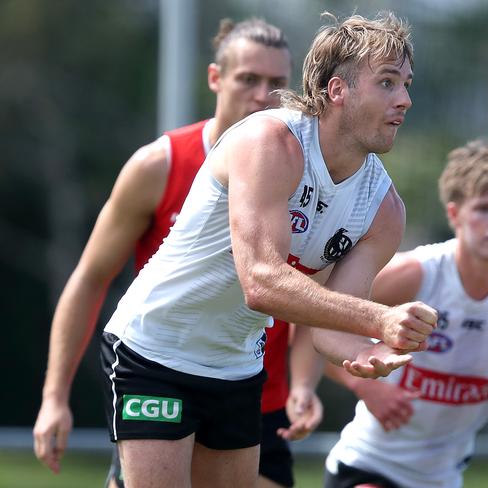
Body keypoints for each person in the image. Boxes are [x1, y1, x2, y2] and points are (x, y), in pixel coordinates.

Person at [89, 10, 436, 488]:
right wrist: (378, 318)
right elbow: (261, 281)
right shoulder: (271, 141)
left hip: (236, 366)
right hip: (155, 350)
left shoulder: (383, 211)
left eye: (406, 84)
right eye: (388, 83)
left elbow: (328, 331)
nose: (405, 99)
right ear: (338, 90)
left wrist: (370, 349)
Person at [32, 18, 323, 488]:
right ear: (215, 78)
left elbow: (313, 287)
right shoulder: (161, 165)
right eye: (248, 79)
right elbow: (89, 277)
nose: (262, 95)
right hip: (163, 376)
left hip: (256, 400)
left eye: (277, 83)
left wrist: (305, 383)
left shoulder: (306, 176)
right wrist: (54, 396)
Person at [324, 136, 488, 488]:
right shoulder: (416, 273)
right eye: (484, 208)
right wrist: (366, 388)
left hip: (443, 478)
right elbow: (316, 320)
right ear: (455, 214)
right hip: (367, 466)